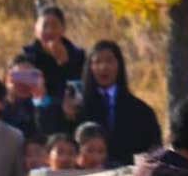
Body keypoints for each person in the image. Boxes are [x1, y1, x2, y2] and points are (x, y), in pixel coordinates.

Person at [69, 40, 161, 168]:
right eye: (97, 62)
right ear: (90, 67)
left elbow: (154, 153)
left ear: (119, 65)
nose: (103, 67)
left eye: (109, 61)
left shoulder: (141, 111)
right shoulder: (77, 109)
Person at [21, 6, 86, 104]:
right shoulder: (27, 55)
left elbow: (81, 87)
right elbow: (17, 82)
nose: (49, 31)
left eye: (54, 26)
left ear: (63, 29)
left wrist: (65, 64)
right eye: (44, 26)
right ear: (36, 30)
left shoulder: (77, 55)